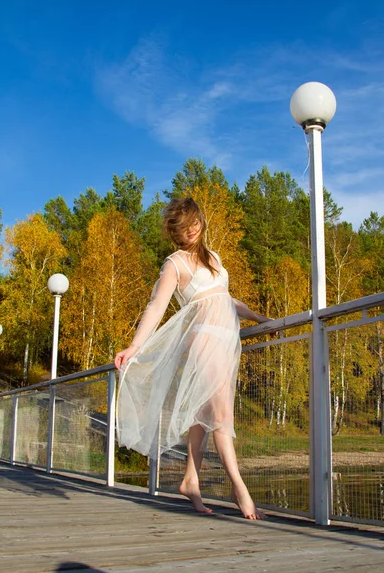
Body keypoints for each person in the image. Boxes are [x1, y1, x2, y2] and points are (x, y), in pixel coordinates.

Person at [115, 197, 272, 519]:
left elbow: (226, 299)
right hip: (204, 340)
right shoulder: (174, 264)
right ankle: (238, 485)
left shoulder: (214, 257)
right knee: (221, 412)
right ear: (175, 231)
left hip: (228, 340)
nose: (192, 231)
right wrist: (133, 347)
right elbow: (155, 307)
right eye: (184, 228)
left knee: (203, 413)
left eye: (195, 223)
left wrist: (261, 319)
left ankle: (190, 481)